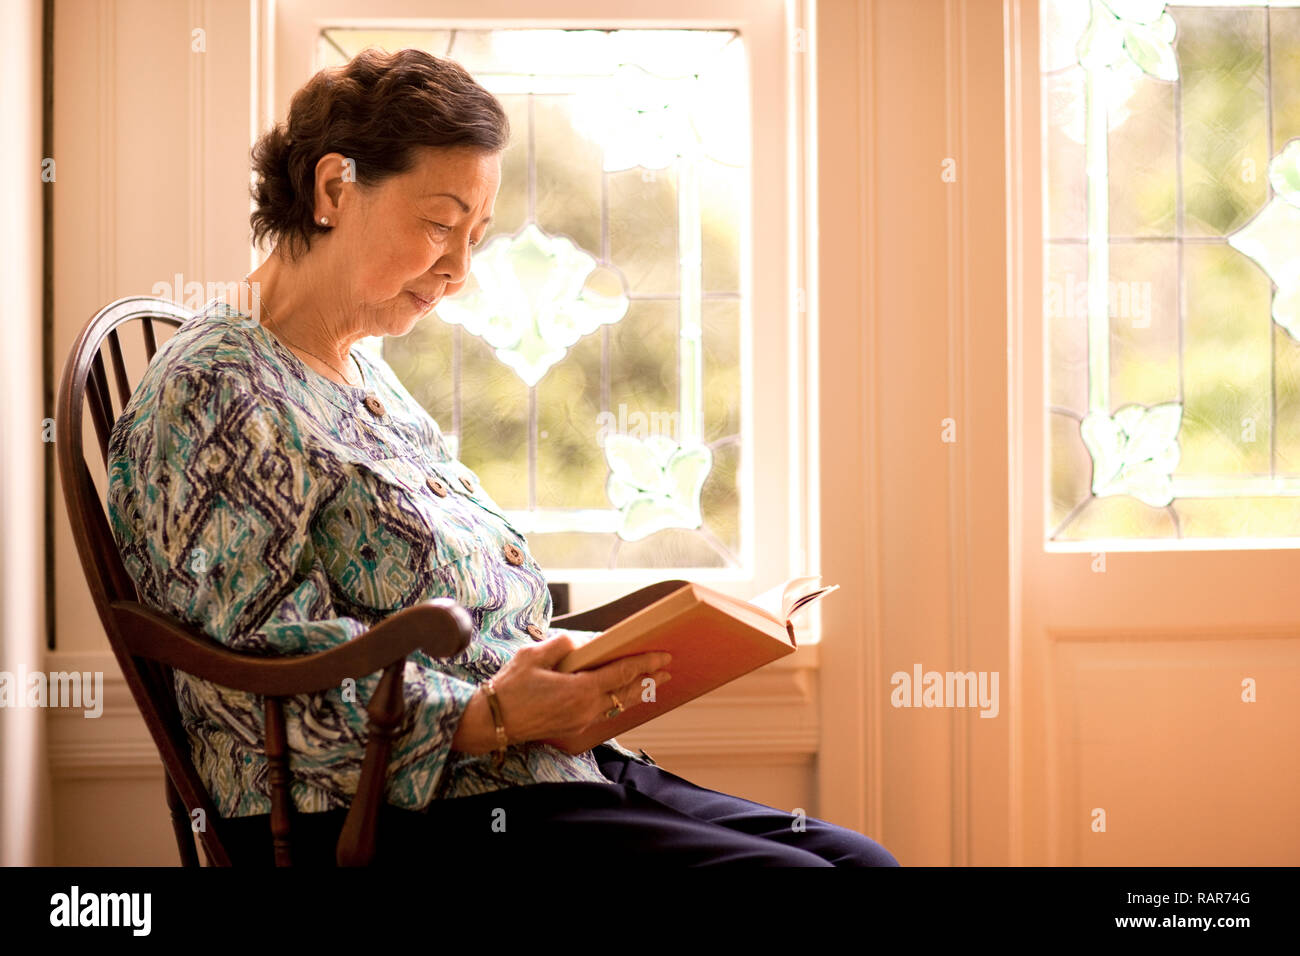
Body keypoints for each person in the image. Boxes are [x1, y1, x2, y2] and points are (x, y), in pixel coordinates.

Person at [106, 46, 898, 867]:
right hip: (381, 812)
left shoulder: (360, 372)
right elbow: (260, 676)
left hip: (526, 769)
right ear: (334, 189)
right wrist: (493, 717)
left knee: (861, 862)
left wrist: (570, 679)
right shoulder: (216, 391)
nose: (459, 271)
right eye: (439, 225)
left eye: (475, 237)